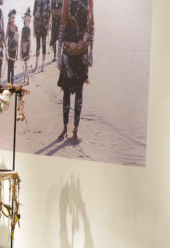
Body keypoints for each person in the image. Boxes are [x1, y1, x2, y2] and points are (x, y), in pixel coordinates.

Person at [56, 0, 93, 142]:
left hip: (82, 52)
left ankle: (75, 130)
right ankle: (65, 128)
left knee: (79, 92)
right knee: (66, 92)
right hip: (68, 52)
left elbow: (91, 25)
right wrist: (59, 54)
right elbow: (62, 25)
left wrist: (90, 52)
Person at [33, 0, 51, 72]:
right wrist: (34, 30)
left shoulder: (47, 1)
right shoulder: (36, 1)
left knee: (44, 46)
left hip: (44, 26)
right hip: (37, 26)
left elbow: (49, 14)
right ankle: (36, 65)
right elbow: (34, 14)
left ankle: (42, 66)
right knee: (37, 46)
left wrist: (48, 27)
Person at [5, 9, 20, 84]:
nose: (13, 19)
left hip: (14, 50)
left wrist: (17, 54)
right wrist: (5, 52)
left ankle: (12, 82)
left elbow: (17, 41)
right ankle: (8, 82)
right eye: (11, 18)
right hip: (9, 49)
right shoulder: (8, 27)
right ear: (9, 18)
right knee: (8, 66)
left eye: (14, 17)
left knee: (12, 66)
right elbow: (5, 39)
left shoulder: (16, 27)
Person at [21, 8, 33, 85]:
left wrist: (30, 49)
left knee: (26, 64)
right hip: (24, 47)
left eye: (28, 21)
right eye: (26, 20)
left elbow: (30, 40)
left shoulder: (29, 29)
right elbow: (22, 39)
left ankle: (27, 79)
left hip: (27, 47)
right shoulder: (23, 29)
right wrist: (20, 49)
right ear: (24, 21)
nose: (27, 22)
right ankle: (25, 78)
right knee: (25, 63)